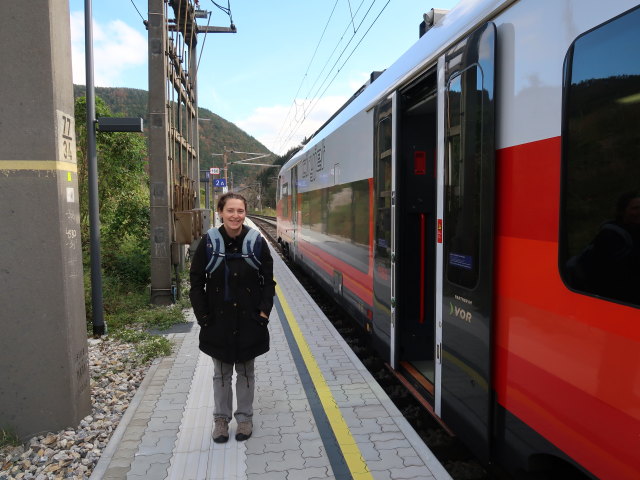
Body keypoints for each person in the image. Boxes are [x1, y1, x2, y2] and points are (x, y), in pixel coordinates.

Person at [189, 192, 276, 443]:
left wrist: (263, 314)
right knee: (221, 372)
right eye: (230, 211)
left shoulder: (257, 243)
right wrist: (203, 316)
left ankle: (245, 419)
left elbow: (268, 283)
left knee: (246, 370)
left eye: (240, 211)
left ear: (244, 213)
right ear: (220, 212)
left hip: (250, 319)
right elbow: (196, 283)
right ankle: (221, 420)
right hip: (218, 318)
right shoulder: (208, 243)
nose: (235, 216)